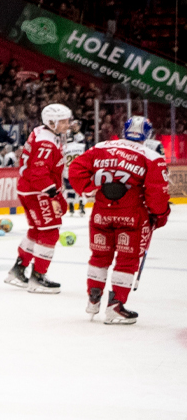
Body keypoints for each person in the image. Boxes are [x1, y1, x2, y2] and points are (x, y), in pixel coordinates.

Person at [67, 115, 170, 324]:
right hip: (132, 215)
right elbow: (157, 191)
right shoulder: (151, 156)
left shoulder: (101, 147)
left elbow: (75, 169)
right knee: (127, 259)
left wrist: (89, 190)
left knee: (99, 256)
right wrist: (160, 215)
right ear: (147, 134)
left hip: (101, 213)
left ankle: (93, 299)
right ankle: (115, 306)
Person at [5, 103, 73, 293]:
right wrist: (54, 195)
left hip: (31, 189)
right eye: (64, 121)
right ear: (52, 122)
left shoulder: (43, 133)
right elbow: (38, 173)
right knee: (50, 231)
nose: (68, 124)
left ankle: (18, 269)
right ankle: (38, 276)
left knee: (37, 230)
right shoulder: (46, 142)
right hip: (38, 192)